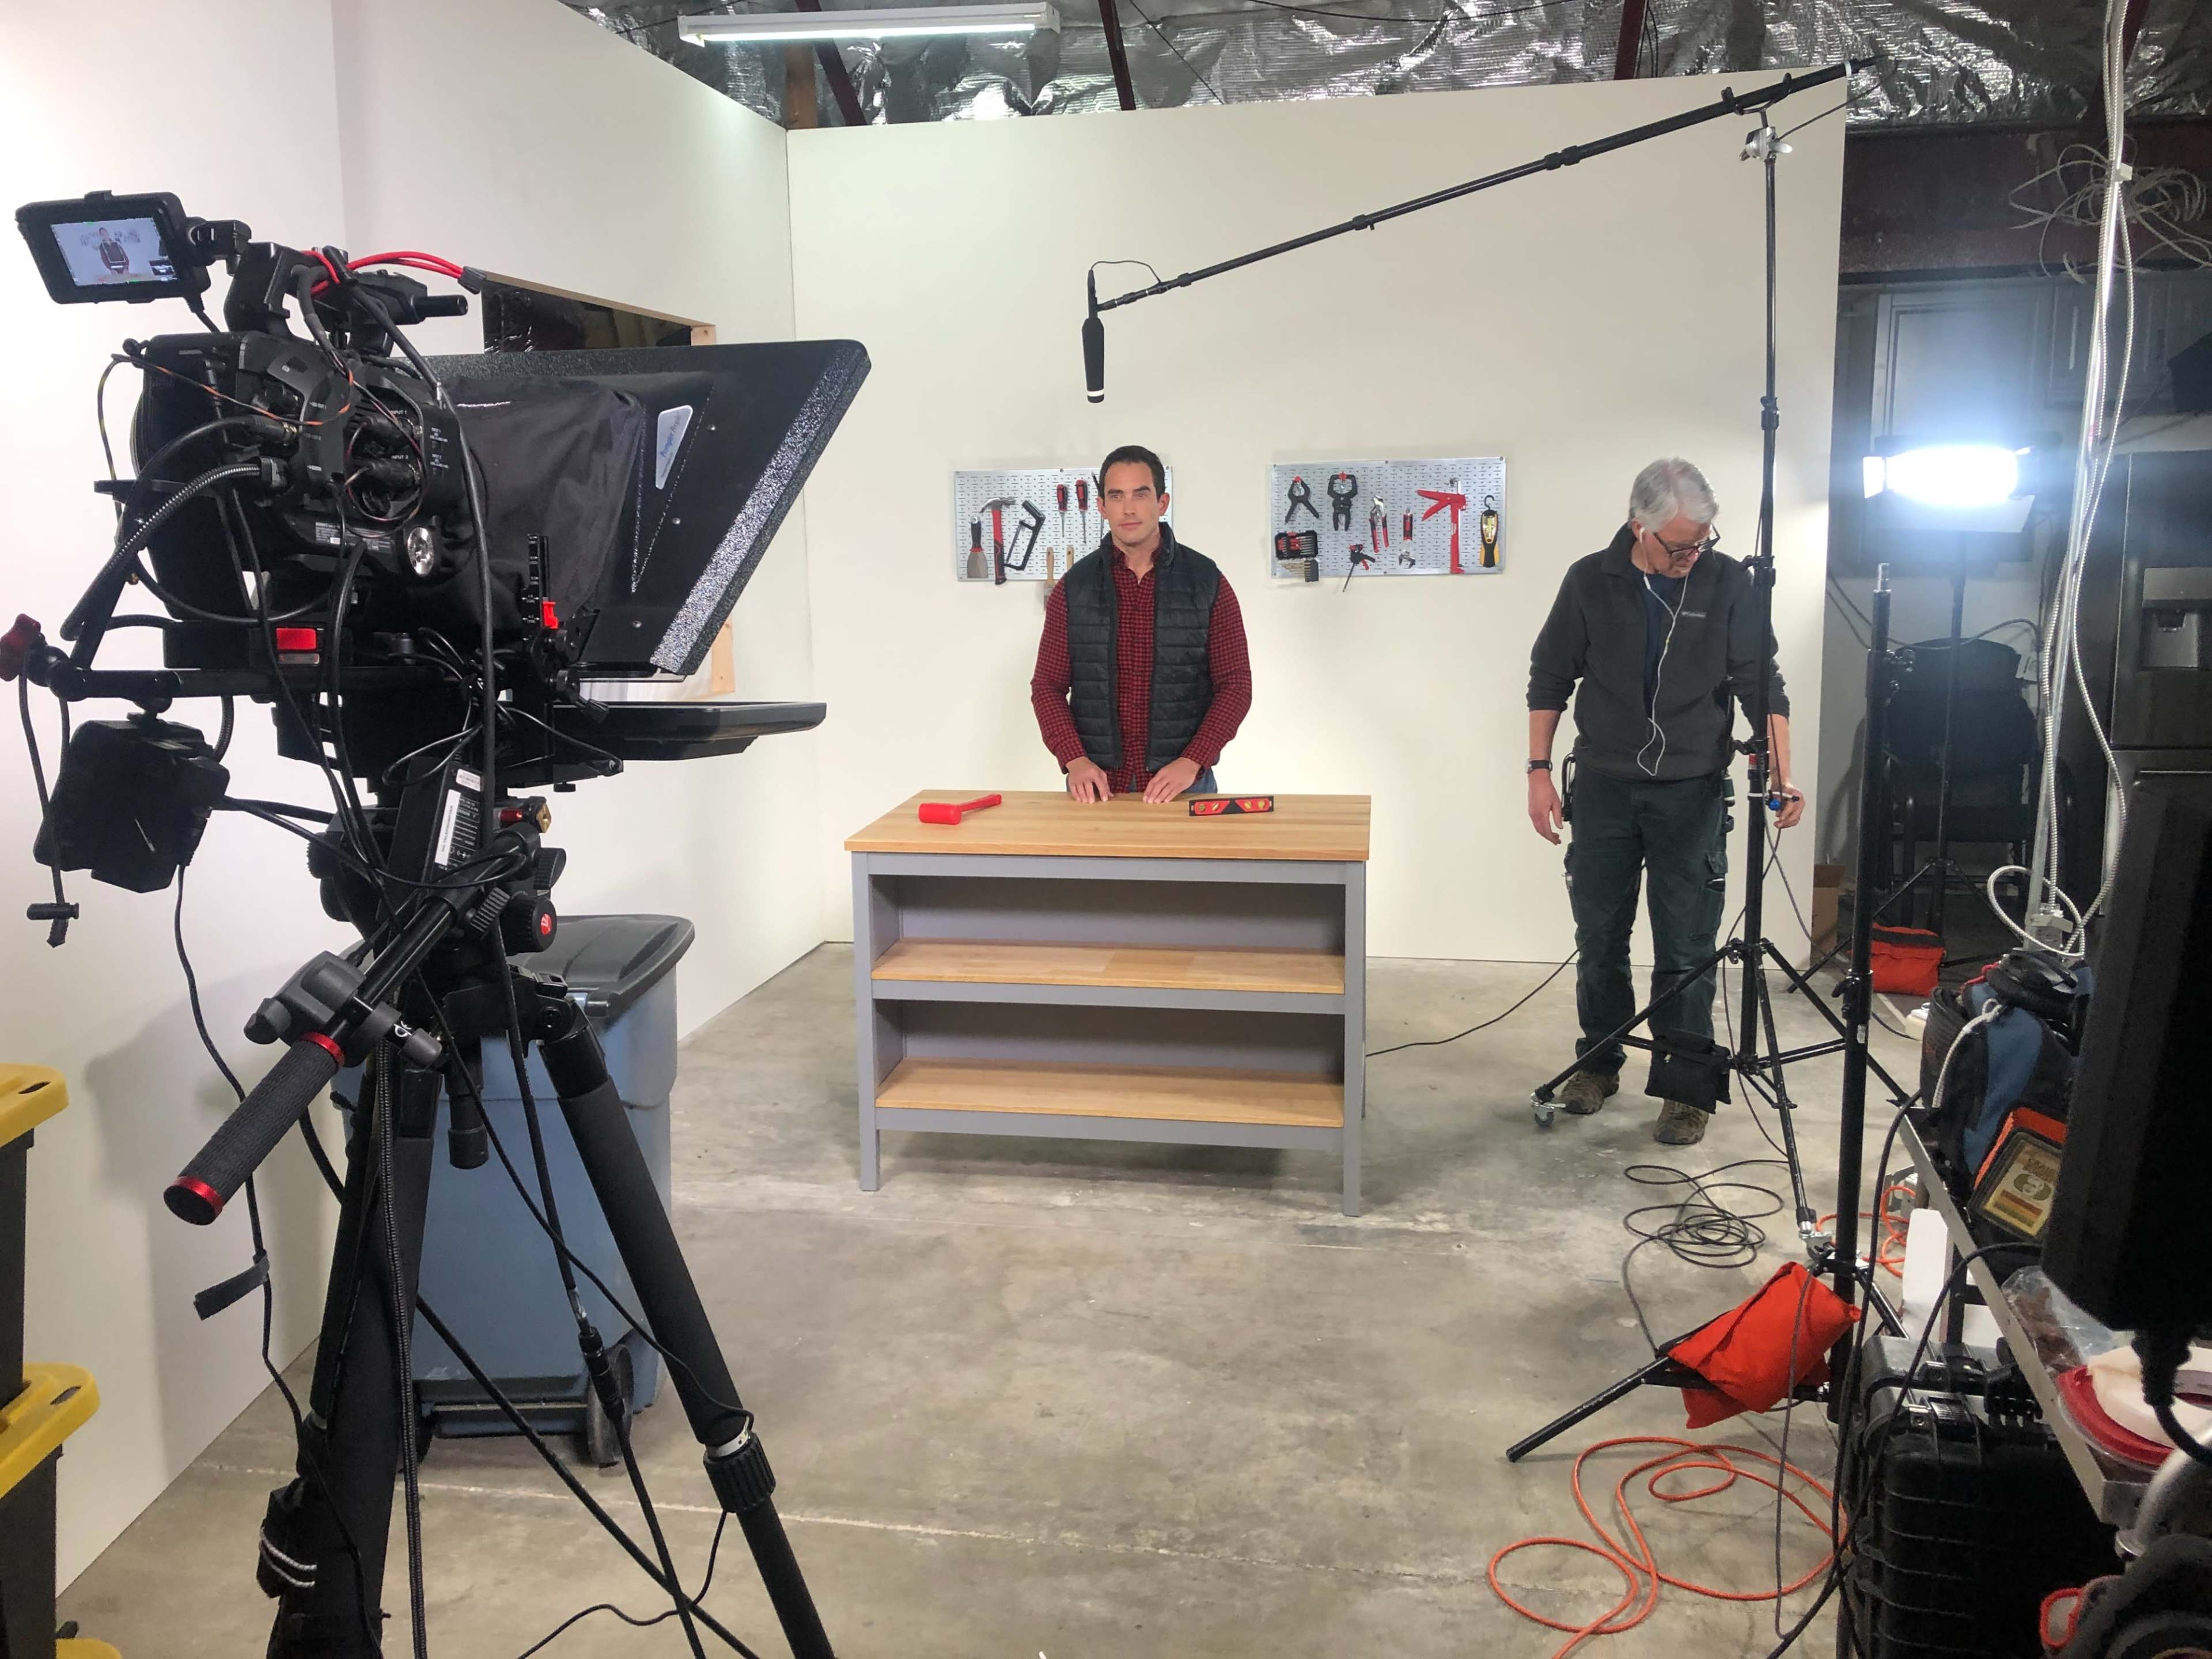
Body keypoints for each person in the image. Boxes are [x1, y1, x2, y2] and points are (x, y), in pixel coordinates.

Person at [1524, 457, 1804, 1146]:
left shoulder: (1728, 580)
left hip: (1692, 791)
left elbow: (1759, 682)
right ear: (1636, 525)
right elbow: (1550, 677)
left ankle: (1686, 1089)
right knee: (1600, 941)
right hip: (1606, 789)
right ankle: (1599, 1062)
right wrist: (1537, 772)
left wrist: (1783, 773)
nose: (1690, 555)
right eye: (1678, 544)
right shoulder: (1592, 580)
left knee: (1686, 948)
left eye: (1700, 542)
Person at [1031, 445, 1253, 804]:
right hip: (1097, 789)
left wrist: (1191, 761)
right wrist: (1075, 760)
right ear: (1102, 506)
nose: (1129, 508)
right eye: (1117, 496)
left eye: (1141, 494)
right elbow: (1047, 686)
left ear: (1162, 503)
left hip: (1184, 788)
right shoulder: (1074, 588)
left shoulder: (1206, 581)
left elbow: (1236, 686)